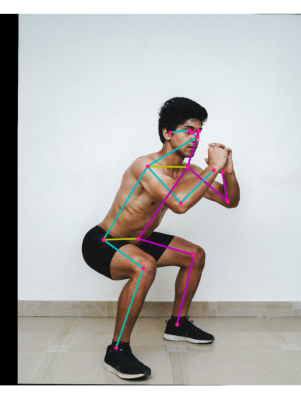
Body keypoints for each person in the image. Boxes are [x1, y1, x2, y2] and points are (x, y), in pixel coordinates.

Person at [82, 97, 240, 380]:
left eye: (198, 132)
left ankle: (178, 324)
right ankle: (116, 351)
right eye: (188, 130)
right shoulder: (145, 166)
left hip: (138, 240)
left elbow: (230, 201)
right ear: (168, 133)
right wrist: (213, 168)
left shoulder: (190, 172)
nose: (195, 138)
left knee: (194, 255)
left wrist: (227, 170)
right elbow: (179, 204)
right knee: (145, 266)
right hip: (104, 241)